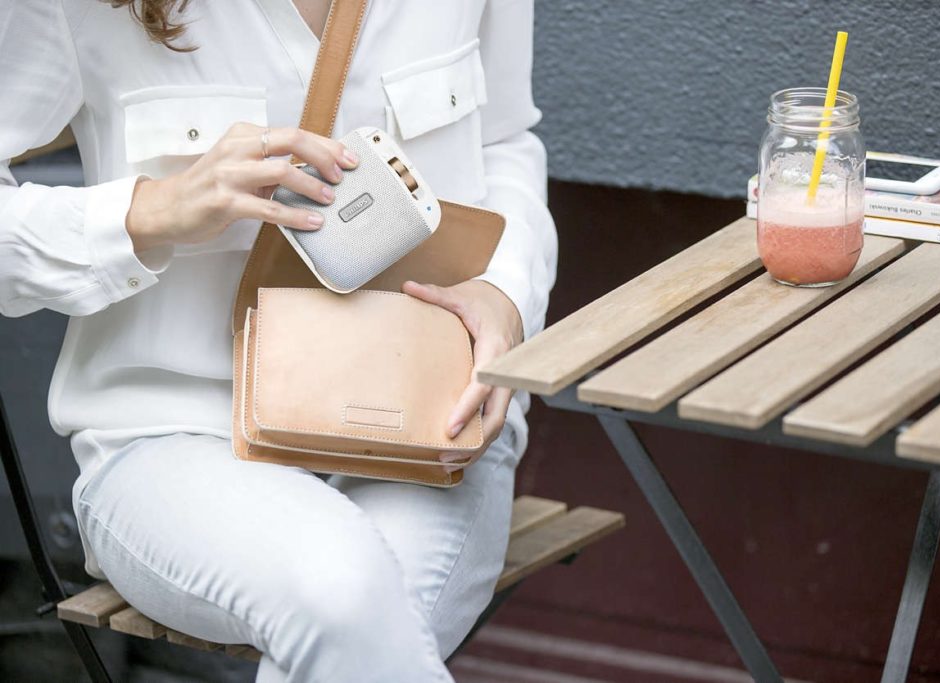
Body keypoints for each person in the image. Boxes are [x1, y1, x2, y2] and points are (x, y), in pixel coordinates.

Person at [0, 0, 557, 680]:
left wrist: (506, 293)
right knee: (342, 592)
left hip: (427, 422)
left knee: (359, 618)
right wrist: (150, 210)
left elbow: (505, 141)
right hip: (172, 434)